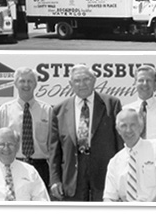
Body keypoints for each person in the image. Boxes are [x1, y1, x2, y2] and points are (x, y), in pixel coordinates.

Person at [49, 64, 123, 201]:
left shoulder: (112, 104)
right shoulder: (59, 110)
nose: (82, 84)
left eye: (86, 79)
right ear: (70, 84)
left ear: (94, 80)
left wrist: (121, 175)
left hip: (104, 174)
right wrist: (55, 179)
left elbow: (120, 144)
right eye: (77, 80)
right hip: (72, 176)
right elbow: (54, 150)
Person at [0, 67, 52, 188]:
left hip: (41, 168)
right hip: (12, 164)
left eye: (30, 81)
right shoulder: (4, 111)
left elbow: (54, 146)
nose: (26, 85)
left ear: (35, 84)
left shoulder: (47, 111)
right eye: (22, 81)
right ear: (15, 84)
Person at [103, 109, 156, 202]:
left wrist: (148, 205)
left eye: (133, 125)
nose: (128, 130)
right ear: (118, 130)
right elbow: (109, 197)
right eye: (123, 126)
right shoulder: (114, 162)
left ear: (140, 127)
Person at [0, 127, 50, 201]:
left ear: (17, 147)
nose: (6, 148)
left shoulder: (30, 171)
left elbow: (42, 201)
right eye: (1, 144)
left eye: (10, 144)